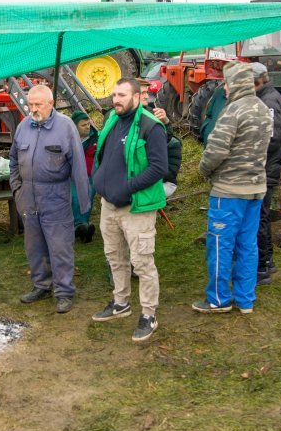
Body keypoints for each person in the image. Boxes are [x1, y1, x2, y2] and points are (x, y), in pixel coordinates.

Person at [90, 78, 168, 342]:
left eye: (122, 95)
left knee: (142, 262)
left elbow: (158, 168)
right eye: (114, 95)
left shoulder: (151, 126)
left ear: (137, 97)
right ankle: (120, 302)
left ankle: (149, 314)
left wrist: (127, 188)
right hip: (109, 205)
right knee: (115, 256)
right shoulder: (112, 118)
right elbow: (102, 153)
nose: (116, 100)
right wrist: (97, 178)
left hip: (136, 206)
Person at [193, 62, 271, 315]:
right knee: (248, 245)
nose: (224, 88)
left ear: (235, 84)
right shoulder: (262, 109)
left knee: (220, 245)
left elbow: (216, 150)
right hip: (256, 189)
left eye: (226, 83)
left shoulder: (233, 111)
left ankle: (217, 299)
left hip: (228, 192)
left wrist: (203, 170)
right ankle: (246, 299)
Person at [11, 86, 90, 314]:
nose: (33, 109)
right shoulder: (23, 126)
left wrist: (83, 204)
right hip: (28, 195)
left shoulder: (65, 127)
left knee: (60, 246)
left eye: (38, 104)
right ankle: (41, 285)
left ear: (51, 103)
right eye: (30, 104)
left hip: (55, 195)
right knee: (34, 246)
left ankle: (64, 292)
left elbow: (78, 166)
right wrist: (17, 189)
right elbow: (13, 161)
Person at [252, 63, 281, 285]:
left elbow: (272, 138)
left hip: (265, 168)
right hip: (264, 166)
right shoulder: (264, 97)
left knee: (260, 217)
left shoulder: (269, 101)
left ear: (258, 81)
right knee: (260, 216)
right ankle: (268, 260)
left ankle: (262, 266)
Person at [140, 88, 181, 198]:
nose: (147, 96)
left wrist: (166, 121)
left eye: (147, 92)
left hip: (150, 178)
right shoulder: (115, 116)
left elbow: (164, 139)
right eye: (143, 93)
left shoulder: (150, 113)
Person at [70, 111, 97, 243]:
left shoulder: (95, 138)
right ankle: (80, 226)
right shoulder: (68, 139)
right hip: (73, 175)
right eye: (83, 125)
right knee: (75, 198)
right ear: (75, 127)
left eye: (88, 124)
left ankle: (83, 226)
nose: (87, 127)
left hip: (89, 175)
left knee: (88, 197)